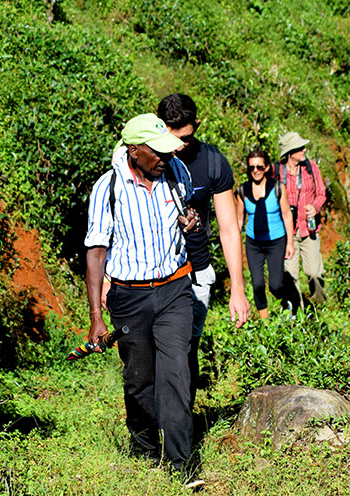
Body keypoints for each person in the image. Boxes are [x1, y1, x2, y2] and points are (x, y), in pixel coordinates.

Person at [85, 113, 201, 475]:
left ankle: (182, 464)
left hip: (174, 290)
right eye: (157, 152)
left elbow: (189, 212)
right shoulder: (109, 188)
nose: (165, 158)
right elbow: (96, 251)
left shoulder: (177, 172)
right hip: (129, 297)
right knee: (139, 380)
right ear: (134, 150)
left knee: (176, 372)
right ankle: (146, 447)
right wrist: (95, 318)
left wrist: (191, 221)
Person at [157, 93, 250, 404]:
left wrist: (237, 288)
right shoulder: (149, 158)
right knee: (154, 350)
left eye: (186, 137)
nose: (179, 146)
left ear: (196, 125)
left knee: (187, 348)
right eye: (173, 137)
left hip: (196, 270)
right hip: (155, 272)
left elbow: (228, 229)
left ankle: (182, 424)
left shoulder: (212, 162)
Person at [235, 149, 297, 318]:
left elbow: (287, 215)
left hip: (276, 241)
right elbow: (239, 220)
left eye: (260, 167)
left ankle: (287, 305)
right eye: (252, 167)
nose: (255, 170)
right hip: (253, 243)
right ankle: (265, 323)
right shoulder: (243, 191)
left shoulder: (277, 187)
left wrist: (290, 243)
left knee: (276, 285)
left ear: (267, 167)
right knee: (257, 284)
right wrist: (234, 245)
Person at [275, 132, 327, 305]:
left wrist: (315, 207)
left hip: (309, 229)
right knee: (291, 276)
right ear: (291, 152)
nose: (304, 150)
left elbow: (321, 192)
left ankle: (319, 305)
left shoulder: (311, 168)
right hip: (287, 232)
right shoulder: (277, 172)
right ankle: (298, 316)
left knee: (314, 273)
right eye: (300, 148)